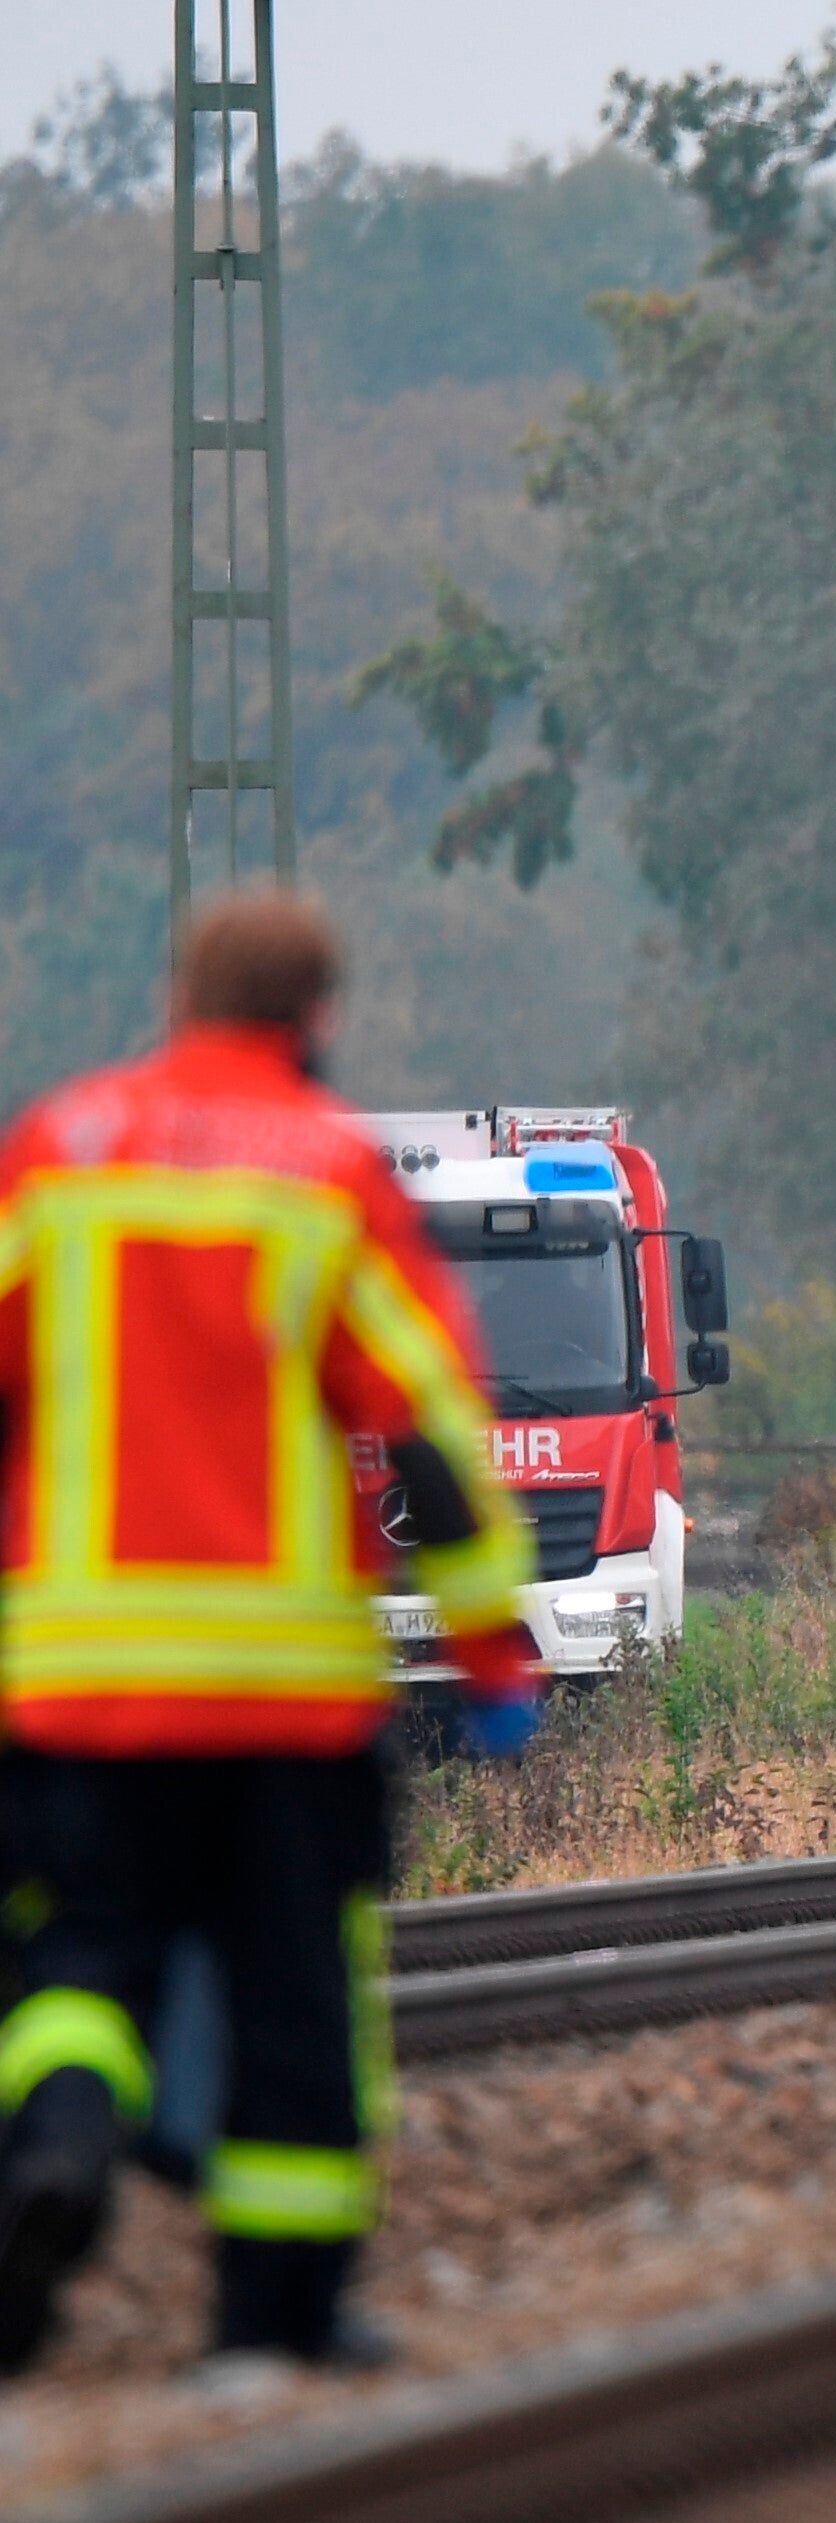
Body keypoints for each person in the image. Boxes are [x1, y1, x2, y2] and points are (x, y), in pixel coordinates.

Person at [0, 896, 539, 2373]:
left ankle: (52, 2148)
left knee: (71, 1959)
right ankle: (275, 2314)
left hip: (75, 1682)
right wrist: (493, 1646)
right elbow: (428, 1427)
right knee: (287, 1989)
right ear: (316, 1013)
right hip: (281, 1700)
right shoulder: (329, 1172)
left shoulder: (59, 1147)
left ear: (177, 994)